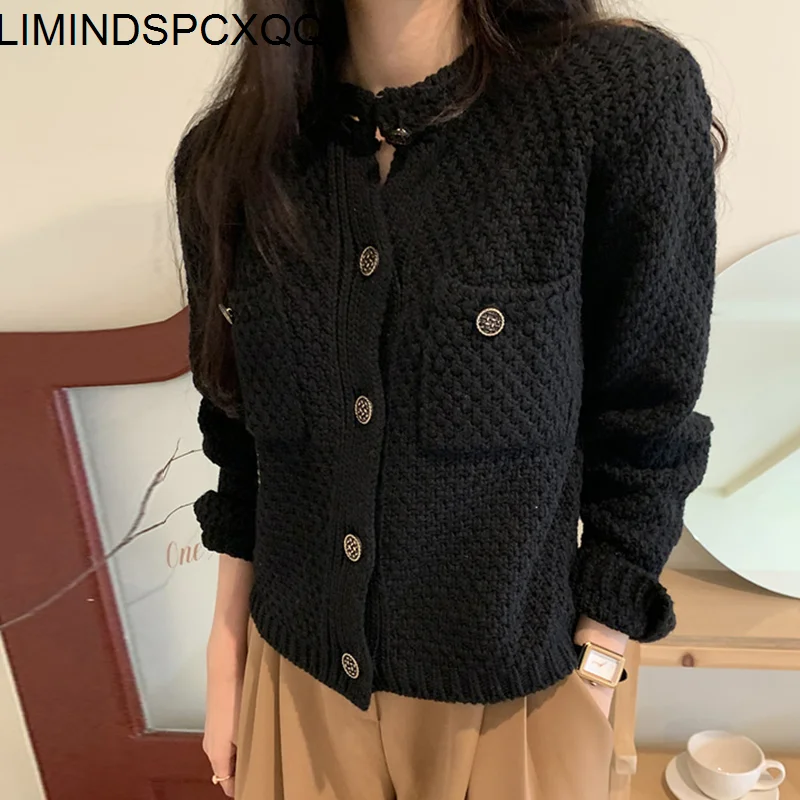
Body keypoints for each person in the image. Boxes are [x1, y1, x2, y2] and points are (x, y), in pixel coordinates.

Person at [172, 1, 726, 798]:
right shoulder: (228, 156)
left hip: (517, 703)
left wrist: (599, 669)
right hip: (295, 688)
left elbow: (648, 412)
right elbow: (239, 434)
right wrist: (225, 650)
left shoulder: (614, 97)